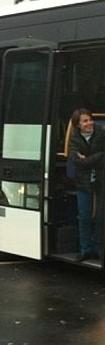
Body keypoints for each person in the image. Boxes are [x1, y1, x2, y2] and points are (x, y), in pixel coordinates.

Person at [69, 108, 105, 262]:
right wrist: (97, 157)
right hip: (83, 183)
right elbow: (77, 161)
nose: (89, 123)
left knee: (100, 217)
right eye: (85, 121)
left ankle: (98, 249)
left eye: (90, 119)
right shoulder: (74, 139)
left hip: (101, 181)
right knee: (84, 216)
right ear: (78, 125)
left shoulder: (101, 133)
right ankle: (85, 250)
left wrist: (87, 159)